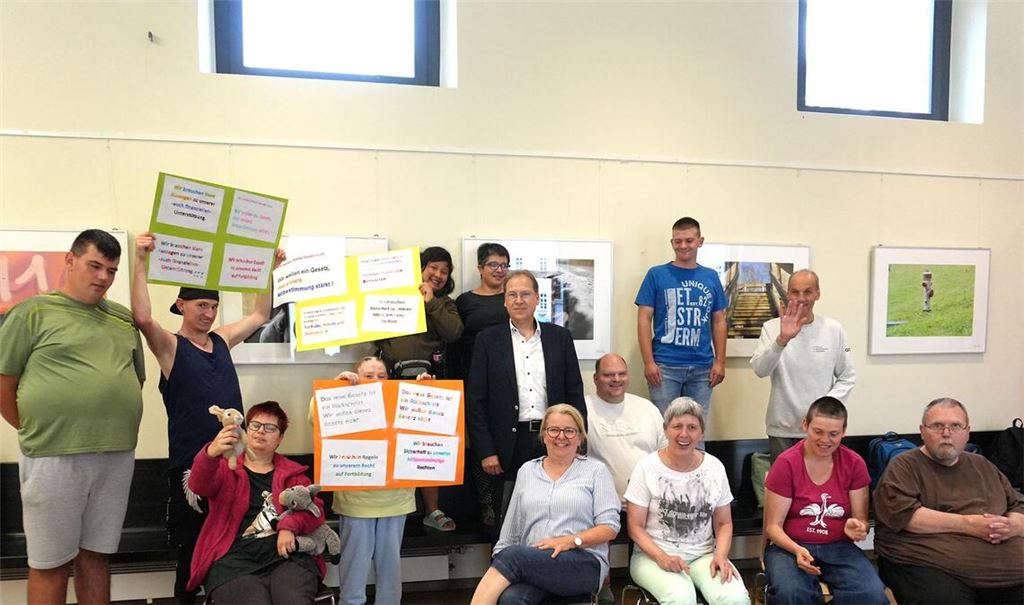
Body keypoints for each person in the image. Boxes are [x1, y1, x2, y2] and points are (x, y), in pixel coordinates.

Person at [131, 232, 285, 603]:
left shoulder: (221, 340)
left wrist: (268, 270)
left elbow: (261, 314)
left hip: (236, 467)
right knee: (192, 551)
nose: (209, 313)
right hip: (192, 471)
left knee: (230, 546)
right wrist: (140, 259)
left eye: (213, 307)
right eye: (201, 306)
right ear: (181, 306)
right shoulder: (171, 347)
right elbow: (142, 317)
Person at [0, 228, 145, 604]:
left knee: (96, 555)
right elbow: (4, 383)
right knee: (49, 562)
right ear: (70, 260)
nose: (102, 277)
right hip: (53, 454)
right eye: (94, 265)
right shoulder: (30, 313)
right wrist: (35, 426)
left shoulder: (122, 319)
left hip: (115, 454)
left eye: (111, 270)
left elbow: (132, 379)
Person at [873, 397, 1024, 605]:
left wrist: (1012, 526)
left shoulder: (982, 465)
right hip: (930, 567)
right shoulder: (904, 466)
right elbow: (904, 515)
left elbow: (1017, 504)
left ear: (967, 432)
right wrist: (969, 525)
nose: (946, 433)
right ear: (922, 431)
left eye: (955, 426)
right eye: (937, 426)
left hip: (1006, 571)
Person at [470, 404, 620, 604]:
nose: (561, 436)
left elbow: (609, 528)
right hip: (532, 561)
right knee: (511, 599)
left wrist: (568, 541)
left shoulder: (596, 471)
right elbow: (511, 529)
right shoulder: (527, 471)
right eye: (554, 430)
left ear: (580, 438)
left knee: (513, 557)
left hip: (582, 561)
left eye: (569, 431)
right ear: (544, 435)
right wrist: (502, 561)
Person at [187, 401, 326, 604]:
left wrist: (288, 527)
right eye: (255, 425)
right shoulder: (225, 467)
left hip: (287, 557)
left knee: (292, 599)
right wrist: (210, 453)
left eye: (270, 428)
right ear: (246, 429)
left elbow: (315, 511)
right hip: (233, 560)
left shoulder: (294, 473)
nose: (261, 431)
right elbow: (198, 485)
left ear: (280, 438)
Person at [466, 270, 587, 496]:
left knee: (555, 504)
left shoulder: (559, 338)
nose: (519, 300)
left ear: (537, 298)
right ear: (504, 301)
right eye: (512, 295)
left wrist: (579, 441)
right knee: (508, 512)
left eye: (525, 294)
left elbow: (575, 394)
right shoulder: (487, 340)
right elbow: (476, 401)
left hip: (554, 437)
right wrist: (486, 450)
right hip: (507, 443)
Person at [309, 356, 416, 605]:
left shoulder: (400, 400)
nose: (376, 380)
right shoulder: (347, 400)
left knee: (390, 564)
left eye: (382, 375)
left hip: (396, 499)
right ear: (357, 376)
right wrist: (334, 390)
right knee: (354, 563)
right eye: (369, 375)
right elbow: (315, 418)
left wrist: (426, 389)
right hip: (355, 500)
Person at [762, 396, 887, 605]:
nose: (825, 440)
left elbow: (861, 520)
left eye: (834, 434)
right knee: (792, 594)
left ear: (844, 432)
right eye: (817, 431)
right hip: (790, 546)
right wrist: (797, 550)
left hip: (839, 546)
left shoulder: (854, 463)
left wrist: (858, 527)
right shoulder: (786, 463)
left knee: (871, 595)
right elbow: (773, 527)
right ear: (805, 425)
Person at [626, 398, 749, 605]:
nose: (684, 434)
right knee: (681, 598)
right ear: (665, 430)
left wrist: (721, 555)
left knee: (735, 598)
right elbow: (635, 527)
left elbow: (724, 523)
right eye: (677, 426)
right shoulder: (646, 467)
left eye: (692, 427)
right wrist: (661, 557)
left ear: (701, 433)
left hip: (704, 556)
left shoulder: (714, 467)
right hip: (653, 557)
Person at [377, 245, 464, 532]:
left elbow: (454, 332)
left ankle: (433, 510)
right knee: (390, 445)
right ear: (420, 267)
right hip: (389, 380)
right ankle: (391, 509)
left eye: (444, 270)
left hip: (427, 382)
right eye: (433, 268)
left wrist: (430, 302)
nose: (438, 275)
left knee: (427, 446)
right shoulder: (392, 296)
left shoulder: (445, 303)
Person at [750, 269, 855, 462]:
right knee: (784, 488)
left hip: (821, 430)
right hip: (782, 428)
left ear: (817, 294)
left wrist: (823, 408)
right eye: (795, 292)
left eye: (808, 292)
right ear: (788, 293)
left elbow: (847, 377)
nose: (801, 298)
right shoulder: (771, 327)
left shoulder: (834, 329)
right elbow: (760, 370)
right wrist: (782, 340)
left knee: (820, 486)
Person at [635, 216, 727, 420]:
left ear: (700, 241)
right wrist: (648, 362)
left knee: (697, 426)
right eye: (678, 241)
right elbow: (643, 319)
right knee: (665, 427)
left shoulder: (710, 276)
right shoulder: (656, 274)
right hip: (665, 366)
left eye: (689, 240)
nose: (683, 246)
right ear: (672, 242)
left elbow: (719, 321)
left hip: (703, 367)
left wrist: (720, 361)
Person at [454, 242, 511, 527]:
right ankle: (486, 505)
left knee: (507, 441)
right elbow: (453, 341)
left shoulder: (512, 299)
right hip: (473, 381)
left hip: (508, 382)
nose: (499, 270)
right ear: (479, 268)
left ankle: (510, 505)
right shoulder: (465, 302)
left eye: (504, 265)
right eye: (493, 265)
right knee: (481, 444)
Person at [585, 353, 666, 502]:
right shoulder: (583, 410)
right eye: (609, 375)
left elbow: (666, 454)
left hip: (649, 504)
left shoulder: (647, 408)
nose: (616, 379)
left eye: (621, 374)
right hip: (602, 507)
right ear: (595, 379)